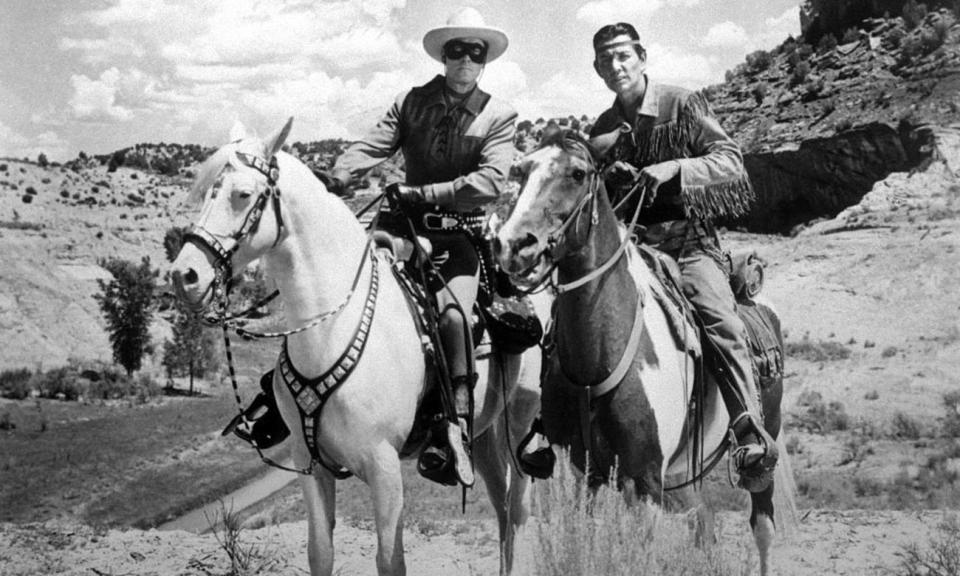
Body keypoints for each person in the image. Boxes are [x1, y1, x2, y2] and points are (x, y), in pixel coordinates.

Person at [324, 7, 517, 488]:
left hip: (459, 237)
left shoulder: (498, 115)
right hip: (401, 231)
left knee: (453, 317)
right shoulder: (411, 103)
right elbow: (374, 145)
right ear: (444, 56)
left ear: (485, 59)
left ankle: (454, 428)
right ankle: (304, 407)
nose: (465, 61)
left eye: (476, 52)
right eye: (457, 51)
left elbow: (491, 181)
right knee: (339, 290)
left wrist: (427, 193)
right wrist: (337, 173)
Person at [588, 22, 777, 491]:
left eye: (623, 56)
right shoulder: (603, 129)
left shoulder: (681, 103)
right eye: (606, 60)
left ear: (642, 57)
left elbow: (730, 159)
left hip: (690, 244)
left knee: (719, 319)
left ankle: (747, 428)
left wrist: (675, 167)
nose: (616, 66)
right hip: (633, 248)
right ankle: (551, 429)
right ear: (597, 69)